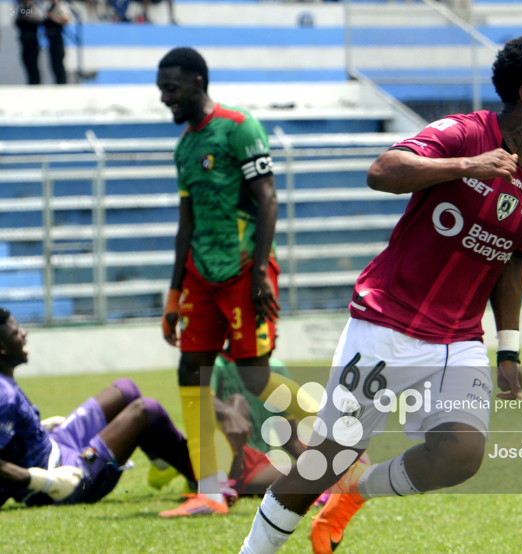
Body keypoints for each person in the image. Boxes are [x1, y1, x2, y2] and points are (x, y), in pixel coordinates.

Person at [239, 33, 522, 553]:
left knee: (460, 454)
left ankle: (355, 490)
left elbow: (513, 259)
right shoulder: (463, 133)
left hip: (458, 339)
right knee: (323, 461)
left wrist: (509, 347)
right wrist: (466, 165)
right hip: (386, 324)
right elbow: (382, 171)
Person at [156, 47, 316, 517]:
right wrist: (173, 295)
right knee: (191, 370)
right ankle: (209, 488)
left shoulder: (239, 127)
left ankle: (339, 443)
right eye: (162, 90)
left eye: (173, 89)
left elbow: (267, 200)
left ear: (199, 83)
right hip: (200, 278)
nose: (166, 98)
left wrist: (263, 270)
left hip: (245, 270)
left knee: (255, 375)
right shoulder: (185, 147)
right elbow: (185, 225)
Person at [0, 308, 194, 508]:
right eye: (16, 332)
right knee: (146, 410)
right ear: (2, 348)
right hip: (62, 477)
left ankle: (162, 463)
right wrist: (47, 482)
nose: (24, 333)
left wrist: (37, 427)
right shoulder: (3, 395)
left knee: (126, 390)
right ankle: (204, 480)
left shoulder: (4, 385)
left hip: (56, 443)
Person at [14, 0, 69, 85]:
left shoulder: (60, 6)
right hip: (26, 38)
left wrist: (52, 17)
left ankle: (61, 82)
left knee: (57, 60)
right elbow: (17, 15)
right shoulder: (29, 7)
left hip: (55, 38)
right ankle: (34, 82)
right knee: (28, 61)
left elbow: (65, 19)